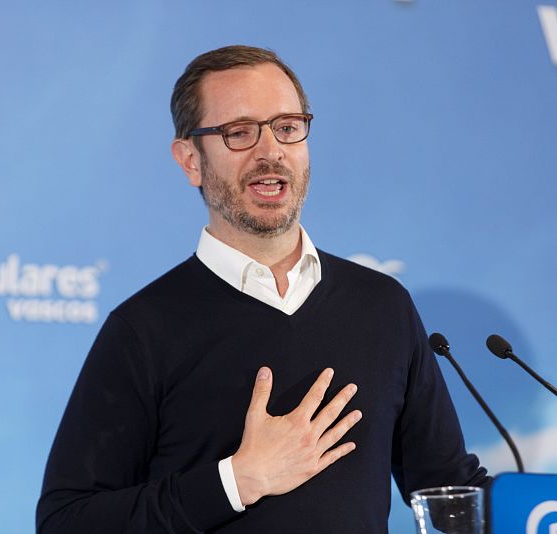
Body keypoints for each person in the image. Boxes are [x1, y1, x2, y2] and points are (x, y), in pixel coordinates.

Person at [36, 45, 489, 534]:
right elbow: (67, 521)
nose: (270, 151)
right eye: (240, 133)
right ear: (191, 160)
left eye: (287, 128)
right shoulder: (144, 328)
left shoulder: (382, 306)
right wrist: (237, 480)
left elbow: (449, 491)